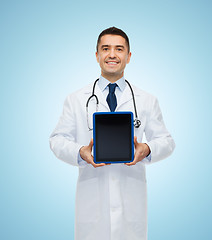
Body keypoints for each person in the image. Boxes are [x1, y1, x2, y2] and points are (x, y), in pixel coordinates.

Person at [49, 27, 175, 240]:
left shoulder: (147, 99)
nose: (112, 55)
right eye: (105, 49)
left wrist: (147, 149)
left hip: (131, 202)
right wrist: (81, 152)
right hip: (92, 203)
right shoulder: (76, 99)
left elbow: (167, 141)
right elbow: (57, 140)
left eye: (119, 49)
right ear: (97, 55)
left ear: (128, 56)